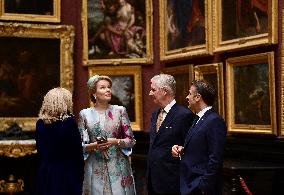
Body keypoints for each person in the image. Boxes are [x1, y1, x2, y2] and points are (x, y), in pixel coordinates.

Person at [78, 75, 136, 195]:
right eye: (103, 87)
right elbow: (80, 145)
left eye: (109, 87)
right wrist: (95, 145)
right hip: (95, 167)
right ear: (94, 93)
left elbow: (131, 140)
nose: (108, 90)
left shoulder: (120, 111)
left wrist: (115, 141)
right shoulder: (85, 114)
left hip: (118, 166)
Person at [172, 80, 227, 195]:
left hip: (200, 188)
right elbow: (201, 147)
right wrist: (183, 149)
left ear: (198, 97)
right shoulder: (198, 118)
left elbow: (216, 158)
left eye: (189, 93)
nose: (187, 97)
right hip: (189, 184)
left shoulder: (214, 120)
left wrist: (203, 187)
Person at [147, 74, 195, 195]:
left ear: (164, 91)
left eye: (153, 90)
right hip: (153, 180)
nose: (150, 93)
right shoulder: (155, 114)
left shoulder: (184, 115)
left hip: (173, 182)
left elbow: (190, 150)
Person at [35, 87, 84, 195]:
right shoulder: (69, 123)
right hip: (66, 173)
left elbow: (40, 150)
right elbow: (77, 152)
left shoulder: (40, 123)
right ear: (65, 102)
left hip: (46, 172)